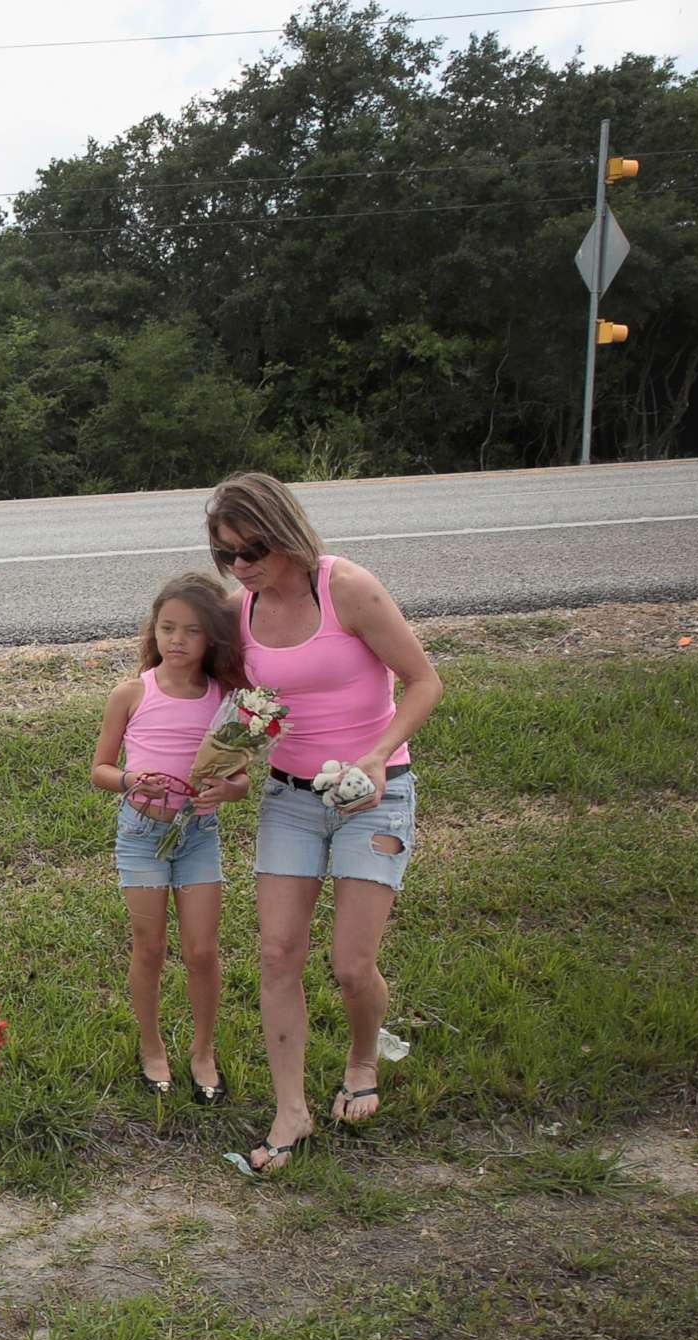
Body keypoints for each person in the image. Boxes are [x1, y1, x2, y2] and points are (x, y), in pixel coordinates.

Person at [206, 472, 443, 1176]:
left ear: (285, 532)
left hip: (378, 792)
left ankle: (363, 1058)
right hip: (290, 797)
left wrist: (375, 756)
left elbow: (425, 681)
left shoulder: (348, 589)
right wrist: (231, 774)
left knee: (350, 962)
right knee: (278, 953)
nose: (242, 567)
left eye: (252, 549)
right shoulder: (238, 611)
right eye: (228, 556)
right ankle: (292, 1110)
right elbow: (243, 714)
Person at [90, 571, 251, 1105]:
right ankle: (151, 1043)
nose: (177, 640)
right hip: (142, 833)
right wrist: (134, 781)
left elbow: (242, 778)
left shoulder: (225, 700)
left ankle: (204, 1050)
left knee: (203, 950)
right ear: (153, 631)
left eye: (191, 631)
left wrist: (227, 791)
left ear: (212, 639)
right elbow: (101, 770)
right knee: (151, 946)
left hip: (199, 833)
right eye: (167, 628)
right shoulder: (133, 692)